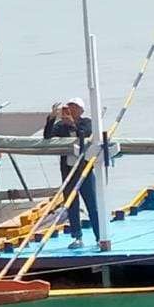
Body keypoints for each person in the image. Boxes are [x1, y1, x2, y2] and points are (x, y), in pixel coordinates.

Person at [44, 97, 99, 249]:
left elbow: (85, 135)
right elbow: (47, 136)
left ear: (80, 110)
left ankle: (99, 236)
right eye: (68, 107)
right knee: (71, 205)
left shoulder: (86, 122)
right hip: (68, 171)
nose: (70, 110)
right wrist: (52, 118)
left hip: (84, 170)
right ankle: (77, 237)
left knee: (92, 204)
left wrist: (73, 125)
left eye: (74, 107)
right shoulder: (61, 126)